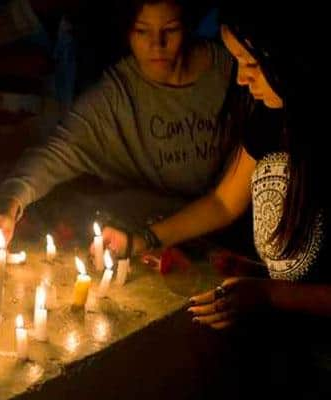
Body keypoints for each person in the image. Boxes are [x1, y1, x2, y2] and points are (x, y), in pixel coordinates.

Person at [104, 1, 330, 396]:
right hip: (284, 353)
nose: (241, 79)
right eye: (236, 61)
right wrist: (144, 239)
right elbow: (225, 201)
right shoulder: (272, 114)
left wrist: (269, 293)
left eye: (252, 64)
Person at [0, 0, 235, 257]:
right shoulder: (115, 97)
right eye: (142, 30)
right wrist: (8, 204)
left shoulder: (234, 74)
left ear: (188, 26)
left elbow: (228, 199)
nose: (157, 44)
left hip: (229, 243)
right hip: (154, 240)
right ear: (128, 31)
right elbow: (55, 153)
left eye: (171, 29)